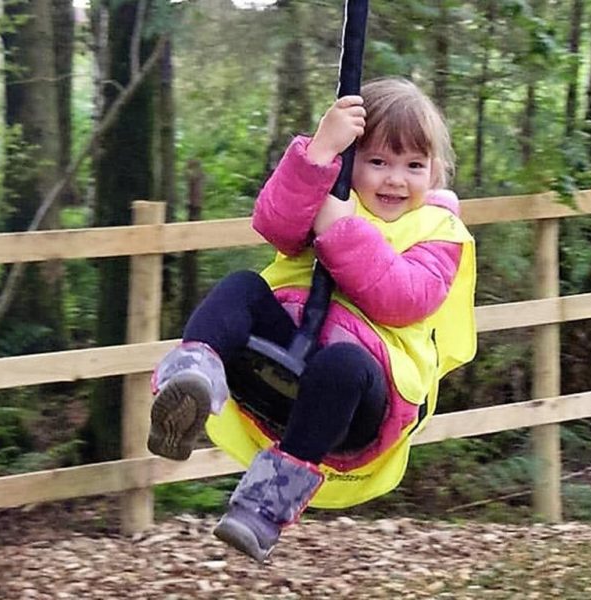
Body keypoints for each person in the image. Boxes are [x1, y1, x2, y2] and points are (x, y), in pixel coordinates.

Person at [148, 77, 476, 562]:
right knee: (241, 286)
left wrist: (341, 229)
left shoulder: (440, 231)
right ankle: (193, 381)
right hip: (285, 359)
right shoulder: (333, 193)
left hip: (361, 399)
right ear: (351, 162)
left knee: (342, 362)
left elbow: (402, 299)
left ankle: (265, 506)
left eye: (413, 166)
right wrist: (320, 151)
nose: (395, 179)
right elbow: (274, 223)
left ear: (436, 172)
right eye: (377, 161)